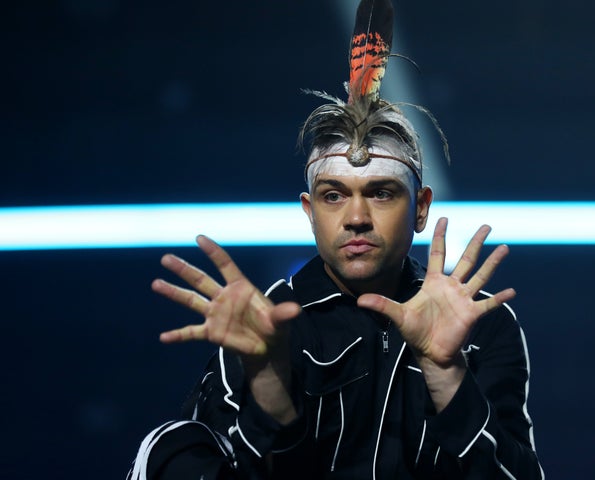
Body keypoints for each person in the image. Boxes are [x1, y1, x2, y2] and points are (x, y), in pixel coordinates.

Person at [128, 0, 543, 478]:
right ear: (310, 212)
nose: (357, 217)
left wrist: (447, 373)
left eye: (382, 193)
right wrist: (267, 378)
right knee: (170, 445)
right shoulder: (265, 322)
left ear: (422, 208)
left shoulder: (480, 323)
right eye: (333, 196)